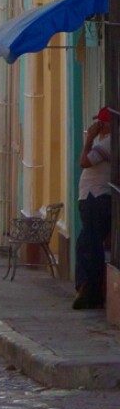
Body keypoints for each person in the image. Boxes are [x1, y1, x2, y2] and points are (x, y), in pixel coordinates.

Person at [73, 106, 113, 310]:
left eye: (100, 123)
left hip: (95, 199)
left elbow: (84, 161)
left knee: (88, 245)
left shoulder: (109, 143)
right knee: (90, 244)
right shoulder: (106, 143)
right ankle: (89, 290)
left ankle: (89, 290)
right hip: (93, 198)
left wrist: (89, 137)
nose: (96, 127)